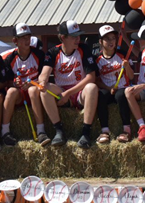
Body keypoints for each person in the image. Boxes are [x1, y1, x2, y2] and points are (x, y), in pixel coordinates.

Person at [38, 20, 100, 149]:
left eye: (79, 35)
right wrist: (42, 82)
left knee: (92, 87)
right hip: (62, 93)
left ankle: (86, 133)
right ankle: (59, 131)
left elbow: (91, 77)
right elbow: (44, 73)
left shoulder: (84, 48)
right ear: (63, 38)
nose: (78, 39)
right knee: (44, 90)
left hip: (79, 92)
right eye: (74, 36)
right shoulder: (53, 52)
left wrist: (68, 93)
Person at [1, 23, 53, 147]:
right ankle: (4, 132)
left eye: (28, 37)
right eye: (23, 38)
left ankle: (41, 131)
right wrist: (14, 83)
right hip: (20, 95)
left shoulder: (39, 54)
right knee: (11, 91)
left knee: (32, 90)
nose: (27, 40)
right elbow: (7, 81)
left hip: (35, 93)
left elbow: (44, 77)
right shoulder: (9, 58)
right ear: (15, 41)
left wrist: (33, 83)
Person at [93, 25, 134, 143]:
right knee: (100, 95)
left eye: (113, 38)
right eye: (107, 39)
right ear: (100, 41)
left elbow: (131, 77)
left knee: (121, 95)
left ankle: (127, 130)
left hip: (122, 88)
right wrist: (108, 88)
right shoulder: (96, 59)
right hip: (107, 89)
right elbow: (96, 80)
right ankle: (104, 131)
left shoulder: (123, 55)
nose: (111, 41)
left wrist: (127, 67)